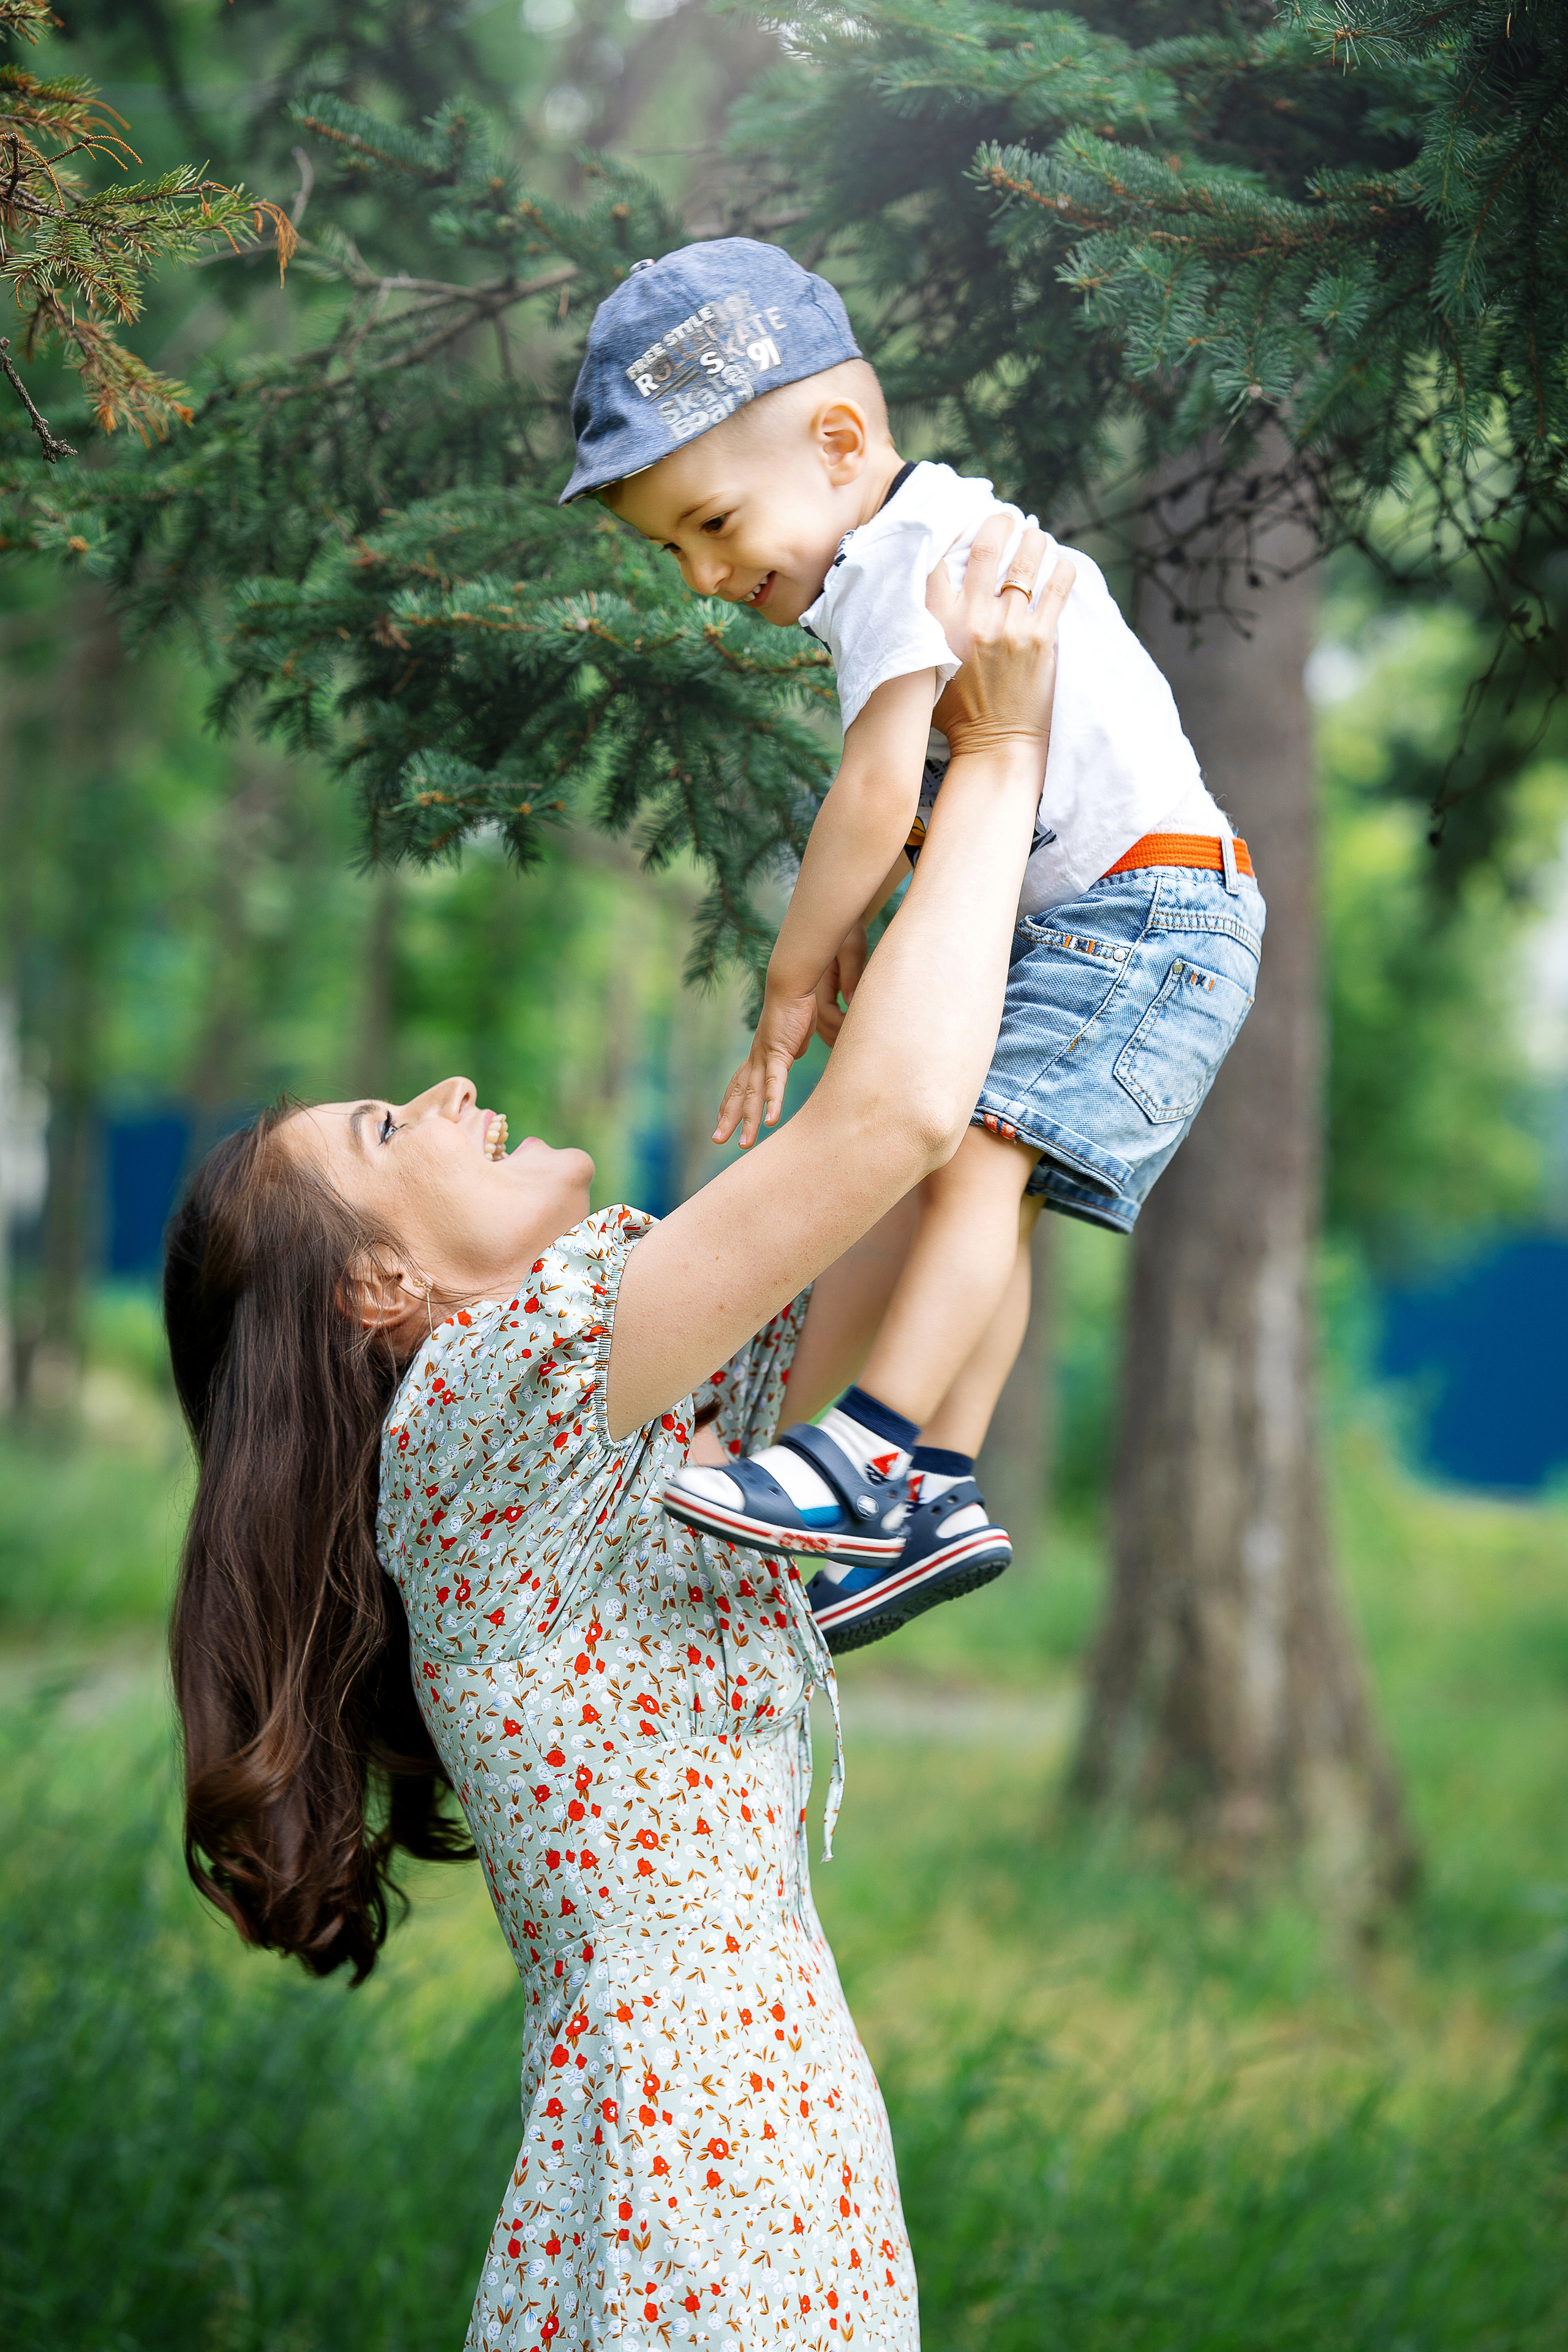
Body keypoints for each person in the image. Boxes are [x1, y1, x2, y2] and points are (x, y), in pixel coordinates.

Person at [164, 524, 1071, 2352]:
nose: (445, 1092)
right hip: (707, 2162)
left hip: (729, 2127)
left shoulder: (567, 1424)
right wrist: (1008, 750)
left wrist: (924, 850)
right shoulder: (477, 1425)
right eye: (379, 1126)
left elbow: (900, 1179)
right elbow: (887, 1124)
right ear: (382, 1292)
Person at [561, 239, 1266, 1653]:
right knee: (980, 1199)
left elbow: (880, 794)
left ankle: (869, 1452)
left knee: (975, 1172)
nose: (703, 576)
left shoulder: (899, 559)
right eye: (672, 549)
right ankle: (933, 1495)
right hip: (1142, 915)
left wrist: (790, 977)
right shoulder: (916, 541)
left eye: (711, 521)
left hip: (1138, 916)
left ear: (837, 443)